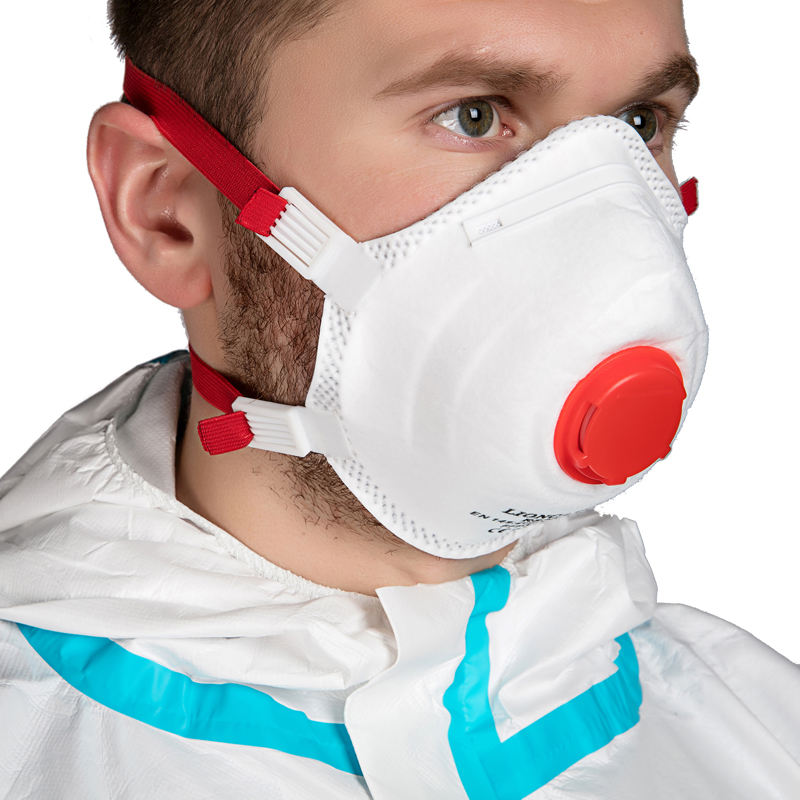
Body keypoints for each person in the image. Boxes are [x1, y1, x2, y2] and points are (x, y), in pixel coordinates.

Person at [0, 1, 798, 798]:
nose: (604, 228)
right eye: (473, 115)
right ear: (165, 209)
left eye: (639, 122)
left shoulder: (763, 730)